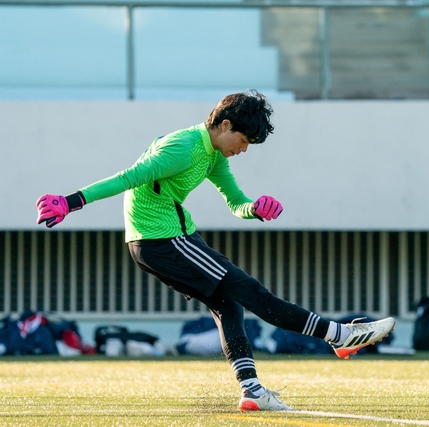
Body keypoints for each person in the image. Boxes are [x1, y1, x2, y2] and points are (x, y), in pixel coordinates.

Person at [35, 89, 396, 412]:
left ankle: (252, 390)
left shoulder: (214, 155)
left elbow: (235, 202)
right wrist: (71, 201)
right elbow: (129, 177)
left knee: (228, 304)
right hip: (162, 241)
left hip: (169, 239)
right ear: (224, 125)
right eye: (244, 139)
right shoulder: (183, 147)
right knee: (252, 293)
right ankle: (339, 335)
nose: (244, 149)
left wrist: (254, 209)